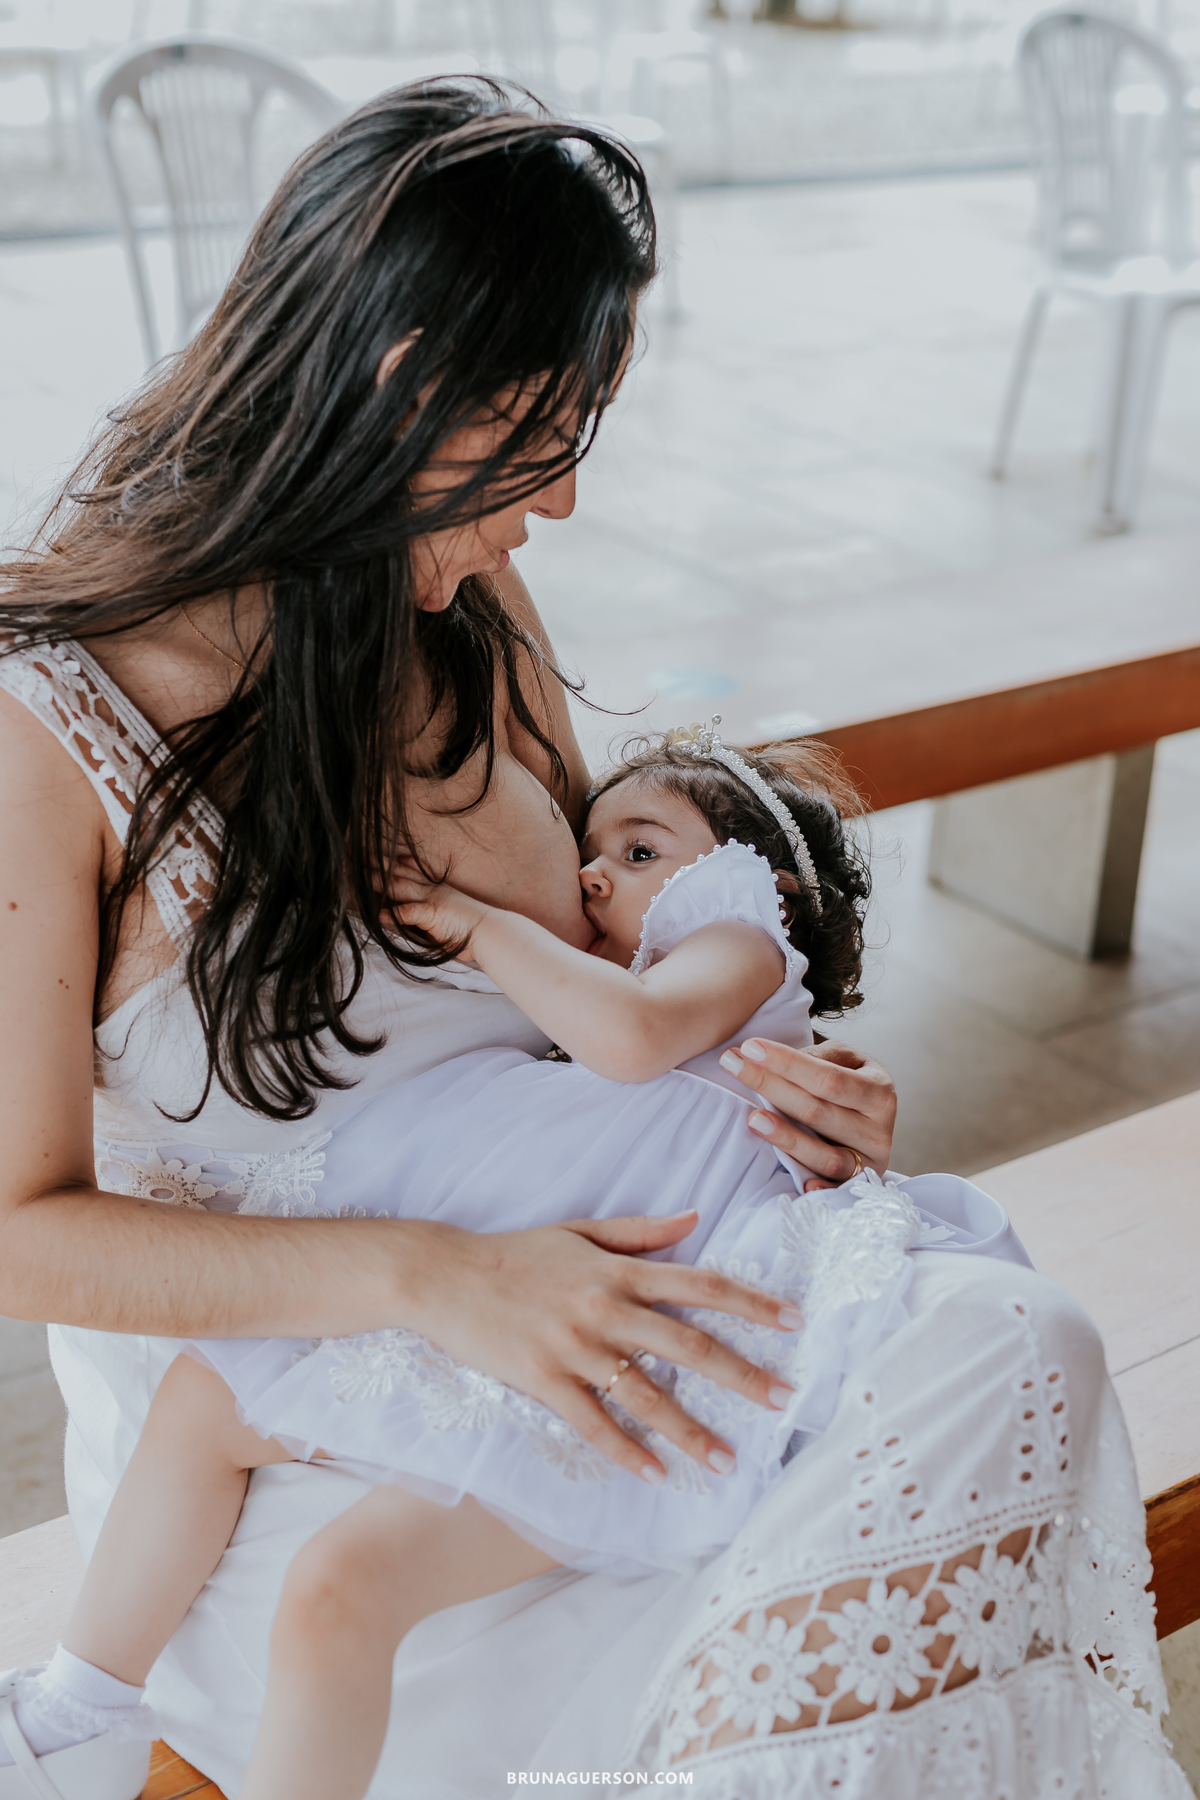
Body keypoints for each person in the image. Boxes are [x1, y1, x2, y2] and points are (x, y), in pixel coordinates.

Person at [0, 79, 1183, 1800]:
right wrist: (442, 1279)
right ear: (404, 388)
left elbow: (581, 1015)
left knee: (1023, 1343)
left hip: (594, 1313)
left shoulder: (470, 604)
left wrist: (757, 1109)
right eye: (545, 435)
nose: (553, 507)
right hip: (306, 1439)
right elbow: (17, 1234)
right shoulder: (58, 730)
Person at [0, 727, 1031, 1800]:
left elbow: (633, 1037)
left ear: (754, 878)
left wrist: (481, 928)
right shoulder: (631, 990)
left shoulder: (738, 934)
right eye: (596, 850)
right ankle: (82, 1698)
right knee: (206, 1405)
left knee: (335, 1592)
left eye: (639, 850)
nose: (594, 873)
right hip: (499, 1289)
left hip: (618, 1338)